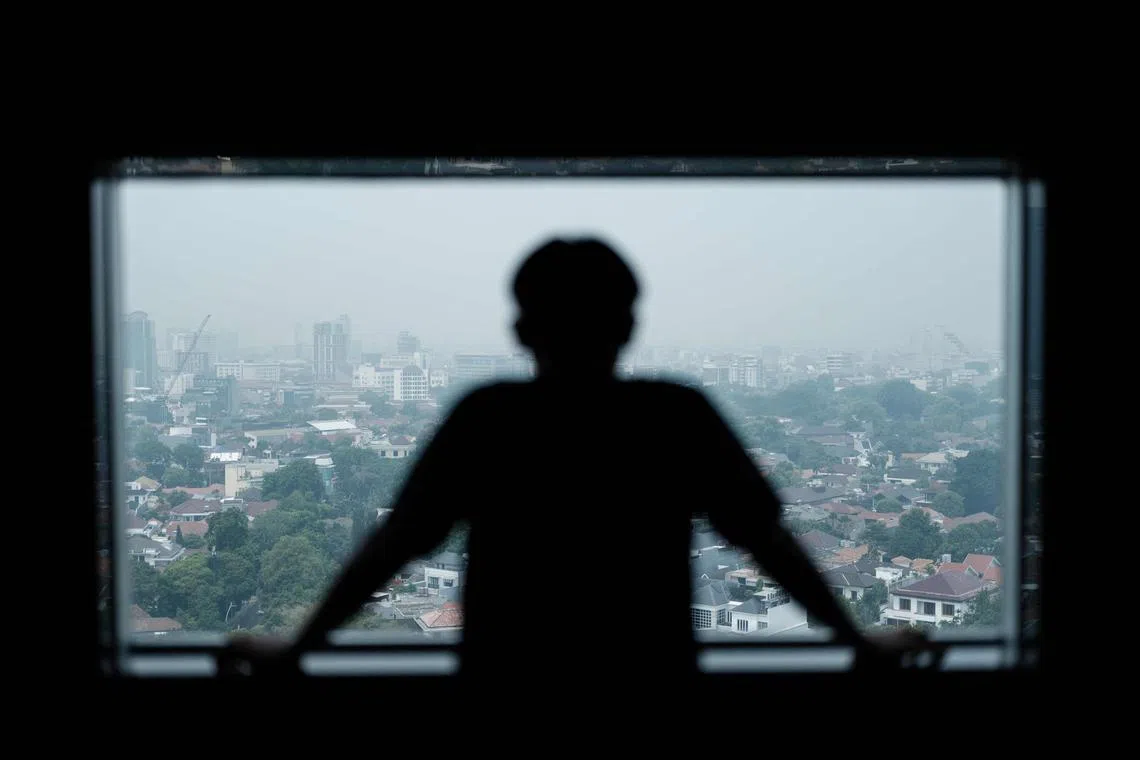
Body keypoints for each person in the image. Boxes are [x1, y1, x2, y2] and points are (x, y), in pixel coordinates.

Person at [222, 237, 928, 688]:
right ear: (628, 325)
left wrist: (301, 647)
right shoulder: (674, 415)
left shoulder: (489, 417)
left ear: (522, 329)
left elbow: (396, 543)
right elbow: (766, 540)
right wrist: (858, 644)